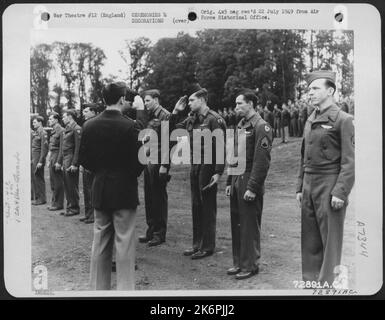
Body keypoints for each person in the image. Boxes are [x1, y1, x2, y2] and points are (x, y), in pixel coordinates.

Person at [79, 82, 144, 290]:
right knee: (124, 243)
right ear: (122, 99)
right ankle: (125, 291)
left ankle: (98, 291)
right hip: (124, 189)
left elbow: (85, 160)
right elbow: (138, 161)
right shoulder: (131, 125)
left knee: (100, 242)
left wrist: (101, 172)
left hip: (99, 187)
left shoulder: (89, 125)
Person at [296, 70, 355, 287]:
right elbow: (304, 155)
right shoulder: (311, 119)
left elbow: (350, 161)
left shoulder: (343, 119)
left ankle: (327, 287)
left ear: (330, 91)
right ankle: (311, 283)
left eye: (314, 88)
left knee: (330, 242)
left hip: (330, 184)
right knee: (310, 239)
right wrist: (299, 186)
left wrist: (340, 191)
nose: (309, 93)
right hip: (309, 183)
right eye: (308, 89)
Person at [171, 87, 226, 259]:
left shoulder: (214, 119)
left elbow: (221, 147)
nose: (189, 103)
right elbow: (173, 129)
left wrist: (218, 172)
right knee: (196, 205)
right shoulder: (192, 119)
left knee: (207, 206)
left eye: (192, 100)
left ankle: (207, 246)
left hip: (208, 165)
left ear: (202, 100)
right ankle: (197, 244)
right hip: (195, 165)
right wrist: (175, 112)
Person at [225, 90, 273, 280]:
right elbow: (234, 156)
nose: (236, 107)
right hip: (237, 177)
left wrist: (252, 188)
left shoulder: (261, 127)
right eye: (236, 104)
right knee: (237, 222)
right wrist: (230, 181)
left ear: (251, 104)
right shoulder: (241, 125)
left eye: (239, 104)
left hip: (249, 178)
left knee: (249, 225)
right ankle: (239, 262)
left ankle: (250, 264)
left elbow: (262, 162)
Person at [137, 89, 171, 247]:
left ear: (156, 100)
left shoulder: (164, 115)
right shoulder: (150, 116)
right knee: (149, 197)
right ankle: (151, 229)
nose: (146, 103)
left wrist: (165, 165)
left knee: (158, 197)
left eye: (148, 100)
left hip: (158, 161)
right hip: (148, 160)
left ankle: (159, 233)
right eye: (144, 101)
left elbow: (168, 143)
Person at [60, 109, 82, 217]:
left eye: (64, 117)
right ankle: (69, 207)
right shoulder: (68, 129)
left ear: (70, 117)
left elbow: (78, 148)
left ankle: (74, 208)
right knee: (67, 184)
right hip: (66, 158)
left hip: (71, 158)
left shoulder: (76, 129)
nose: (63, 119)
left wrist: (75, 163)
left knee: (72, 184)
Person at [79, 104, 98, 224]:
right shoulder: (86, 124)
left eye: (86, 111)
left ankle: (93, 215)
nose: (83, 113)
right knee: (86, 189)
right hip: (86, 162)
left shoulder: (97, 124)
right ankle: (88, 214)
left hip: (93, 163)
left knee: (92, 190)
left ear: (93, 112)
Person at [47, 112, 65, 211]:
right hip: (53, 156)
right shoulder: (54, 130)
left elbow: (62, 148)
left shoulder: (61, 130)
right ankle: (54, 202)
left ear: (56, 120)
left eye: (51, 119)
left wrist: (59, 162)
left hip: (57, 156)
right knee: (53, 181)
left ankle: (58, 204)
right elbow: (51, 147)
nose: (49, 121)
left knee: (58, 182)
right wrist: (49, 159)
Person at [31, 116, 48, 205]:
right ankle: (39, 198)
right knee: (36, 177)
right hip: (35, 158)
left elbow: (44, 148)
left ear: (40, 122)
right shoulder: (37, 132)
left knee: (39, 177)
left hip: (38, 159)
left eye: (34, 122)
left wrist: (41, 161)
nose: (33, 124)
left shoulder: (43, 132)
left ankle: (41, 199)